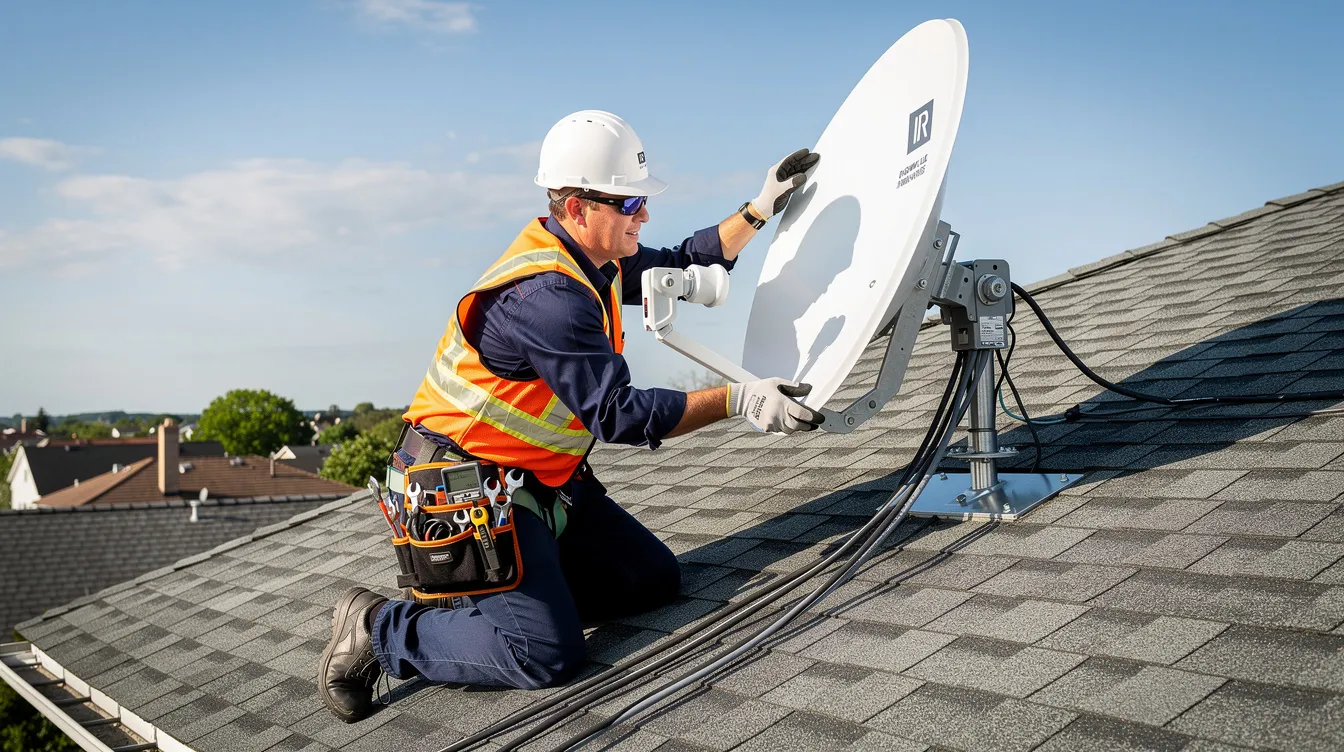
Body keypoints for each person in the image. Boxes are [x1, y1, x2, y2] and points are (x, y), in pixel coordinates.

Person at [319, 110, 823, 722]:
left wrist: (759, 209)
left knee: (652, 582)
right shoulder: (548, 298)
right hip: (466, 497)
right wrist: (738, 399)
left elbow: (687, 264)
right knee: (545, 653)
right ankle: (380, 628)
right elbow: (618, 415)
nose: (644, 213)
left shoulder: (601, 260)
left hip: (539, 485)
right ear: (578, 208)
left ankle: (496, 598)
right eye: (629, 201)